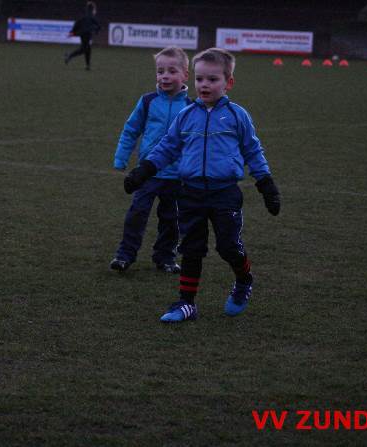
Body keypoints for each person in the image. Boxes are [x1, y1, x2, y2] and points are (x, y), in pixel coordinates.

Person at [123, 48, 281, 322]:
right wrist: (144, 171)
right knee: (191, 248)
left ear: (228, 82)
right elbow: (167, 147)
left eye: (212, 79)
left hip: (224, 194)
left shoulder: (237, 115)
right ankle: (186, 303)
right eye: (200, 79)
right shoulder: (186, 115)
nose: (204, 85)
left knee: (228, 247)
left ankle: (244, 279)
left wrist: (266, 184)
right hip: (191, 193)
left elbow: (252, 151)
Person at [110, 47, 193, 274]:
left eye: (172, 71)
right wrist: (121, 158)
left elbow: (196, 143)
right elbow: (131, 130)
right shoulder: (148, 101)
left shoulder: (191, 107)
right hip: (148, 173)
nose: (164, 76)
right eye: (160, 71)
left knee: (172, 220)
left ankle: (165, 258)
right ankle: (124, 255)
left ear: (185, 75)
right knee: (136, 214)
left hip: (177, 176)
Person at [64, 1, 100, 70]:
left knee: (88, 49)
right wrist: (97, 31)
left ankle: (87, 66)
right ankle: (69, 55)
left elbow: (77, 23)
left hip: (82, 34)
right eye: (95, 9)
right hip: (87, 34)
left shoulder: (84, 16)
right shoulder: (92, 17)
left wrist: (72, 31)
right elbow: (98, 25)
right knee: (83, 49)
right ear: (92, 9)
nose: (95, 11)